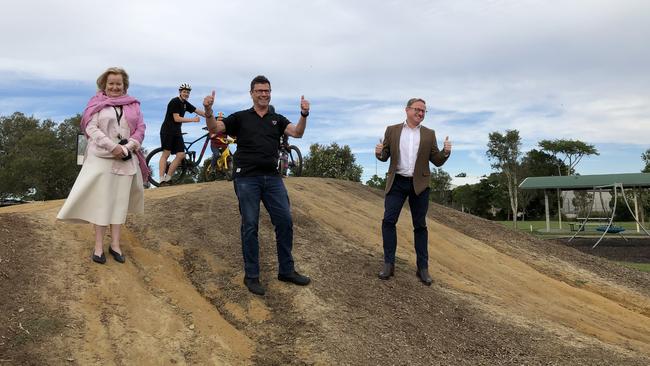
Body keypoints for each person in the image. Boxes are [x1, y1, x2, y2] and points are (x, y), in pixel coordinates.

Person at [203, 75, 310, 296]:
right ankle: (252, 276)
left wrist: (304, 114)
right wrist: (209, 111)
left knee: (285, 221)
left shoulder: (276, 119)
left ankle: (286, 270)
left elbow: (297, 132)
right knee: (250, 225)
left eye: (267, 91)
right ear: (251, 93)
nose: (264, 94)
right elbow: (215, 128)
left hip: (272, 179)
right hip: (246, 179)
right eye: (260, 91)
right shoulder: (240, 117)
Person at [57, 67, 149, 264]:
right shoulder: (96, 104)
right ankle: (98, 246)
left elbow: (140, 129)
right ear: (104, 85)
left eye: (119, 84)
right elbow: (90, 128)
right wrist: (112, 147)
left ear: (124, 86)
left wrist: (129, 147)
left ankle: (115, 244)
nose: (115, 87)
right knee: (101, 204)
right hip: (101, 158)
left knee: (119, 204)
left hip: (126, 158)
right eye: (111, 84)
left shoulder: (133, 106)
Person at [375, 98, 451, 286]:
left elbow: (437, 160)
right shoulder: (392, 130)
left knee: (420, 226)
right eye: (418, 109)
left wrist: (446, 152)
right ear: (407, 110)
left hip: (420, 184)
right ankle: (388, 264)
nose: (421, 113)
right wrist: (378, 152)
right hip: (397, 183)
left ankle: (422, 268)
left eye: (424, 111)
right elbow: (384, 157)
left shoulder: (428, 134)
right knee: (388, 221)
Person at [158, 83, 207, 185]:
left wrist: (209, 115)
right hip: (167, 130)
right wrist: (193, 120)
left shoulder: (185, 103)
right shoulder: (174, 101)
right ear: (180, 92)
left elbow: (198, 111)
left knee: (181, 155)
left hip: (177, 131)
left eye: (188, 92)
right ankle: (161, 179)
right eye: (184, 92)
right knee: (166, 154)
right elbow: (177, 118)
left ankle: (168, 178)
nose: (186, 94)